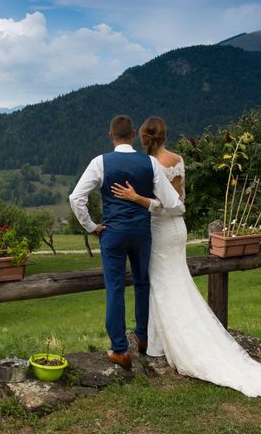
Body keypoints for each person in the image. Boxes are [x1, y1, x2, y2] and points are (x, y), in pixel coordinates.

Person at [110, 115, 261, 397]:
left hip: (160, 228)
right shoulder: (177, 159)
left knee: (161, 284)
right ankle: (164, 339)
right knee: (177, 281)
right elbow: (182, 200)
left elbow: (169, 206)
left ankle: (162, 343)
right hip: (178, 231)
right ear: (165, 135)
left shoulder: (152, 166)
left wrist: (138, 199)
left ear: (143, 138)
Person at [69, 115, 184, 370]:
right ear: (133, 134)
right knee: (143, 282)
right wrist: (148, 203)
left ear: (111, 135)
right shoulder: (150, 163)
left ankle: (120, 349)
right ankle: (143, 337)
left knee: (115, 288)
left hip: (113, 233)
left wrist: (91, 226)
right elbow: (173, 203)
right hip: (142, 232)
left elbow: (76, 197)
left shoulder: (100, 162)